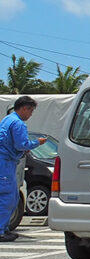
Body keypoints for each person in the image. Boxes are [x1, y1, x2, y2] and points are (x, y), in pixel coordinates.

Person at [0, 96, 47, 242]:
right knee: (7, 198)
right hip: (5, 163)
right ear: (24, 108)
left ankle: (4, 228)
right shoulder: (18, 123)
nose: (30, 115)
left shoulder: (6, 120)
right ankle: (1, 231)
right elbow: (21, 144)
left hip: (6, 161)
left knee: (12, 196)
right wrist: (37, 143)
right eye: (31, 111)